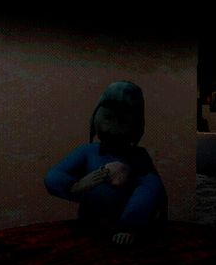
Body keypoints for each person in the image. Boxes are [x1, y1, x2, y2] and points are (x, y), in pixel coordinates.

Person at [44, 81, 168, 246]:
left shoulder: (139, 157)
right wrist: (76, 186)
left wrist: (129, 225)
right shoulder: (87, 151)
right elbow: (53, 176)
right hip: (89, 224)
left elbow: (152, 189)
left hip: (124, 226)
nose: (112, 128)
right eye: (108, 117)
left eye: (122, 121)